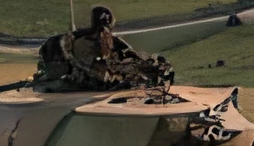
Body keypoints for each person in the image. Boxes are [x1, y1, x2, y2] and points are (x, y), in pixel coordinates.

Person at [36, 5, 172, 91]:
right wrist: (120, 77)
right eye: (102, 31)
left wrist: (148, 66)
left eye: (107, 31)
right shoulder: (83, 44)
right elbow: (99, 73)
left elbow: (128, 54)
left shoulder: (110, 40)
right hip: (64, 73)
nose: (106, 35)